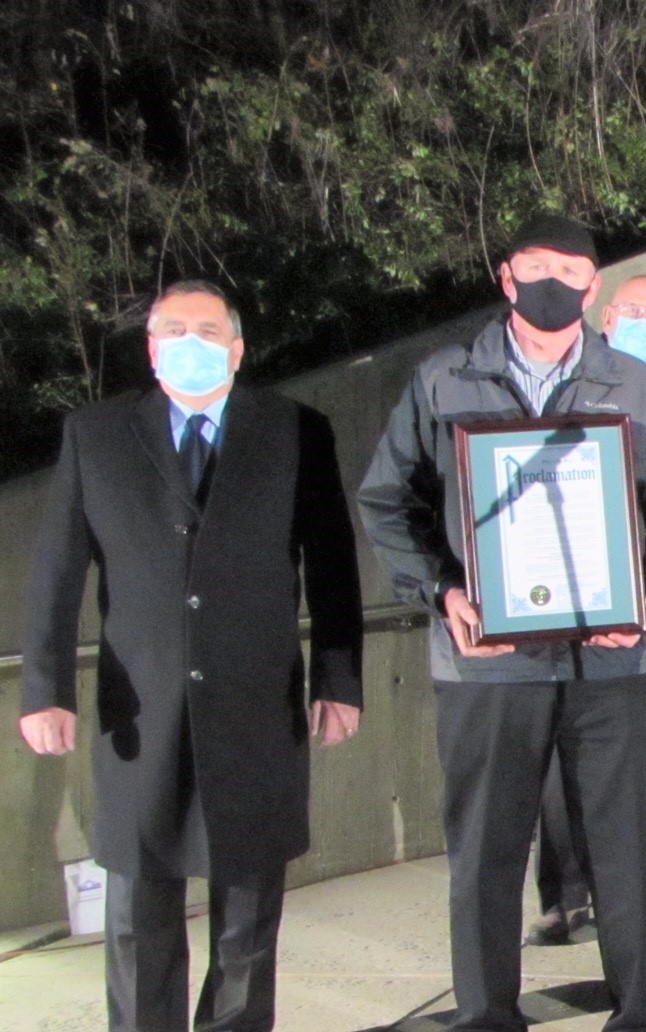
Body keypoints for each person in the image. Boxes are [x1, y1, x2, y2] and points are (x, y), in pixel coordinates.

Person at [356, 214, 646, 1032]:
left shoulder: (637, 385)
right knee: (484, 852)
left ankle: (642, 1012)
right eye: (537, 265)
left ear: (594, 286)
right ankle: (484, 1014)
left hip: (616, 661)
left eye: (572, 269)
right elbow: (385, 502)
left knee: (625, 849)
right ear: (506, 277)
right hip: (487, 662)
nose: (555, 281)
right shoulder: (444, 380)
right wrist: (442, 591)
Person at [18, 279, 365, 1031]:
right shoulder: (96, 435)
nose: (190, 343)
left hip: (255, 704)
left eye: (208, 330)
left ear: (237, 350)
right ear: (149, 347)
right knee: (140, 910)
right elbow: (56, 570)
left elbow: (333, 566)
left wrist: (340, 679)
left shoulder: (295, 431)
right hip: (139, 711)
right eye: (173, 329)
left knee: (247, 918)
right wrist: (44, 689)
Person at [523, 274, 646, 946]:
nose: (644, 323)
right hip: (560, 612)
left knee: (645, 769)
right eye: (633, 310)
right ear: (607, 316)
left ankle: (637, 896)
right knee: (557, 763)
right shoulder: (564, 384)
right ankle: (564, 893)